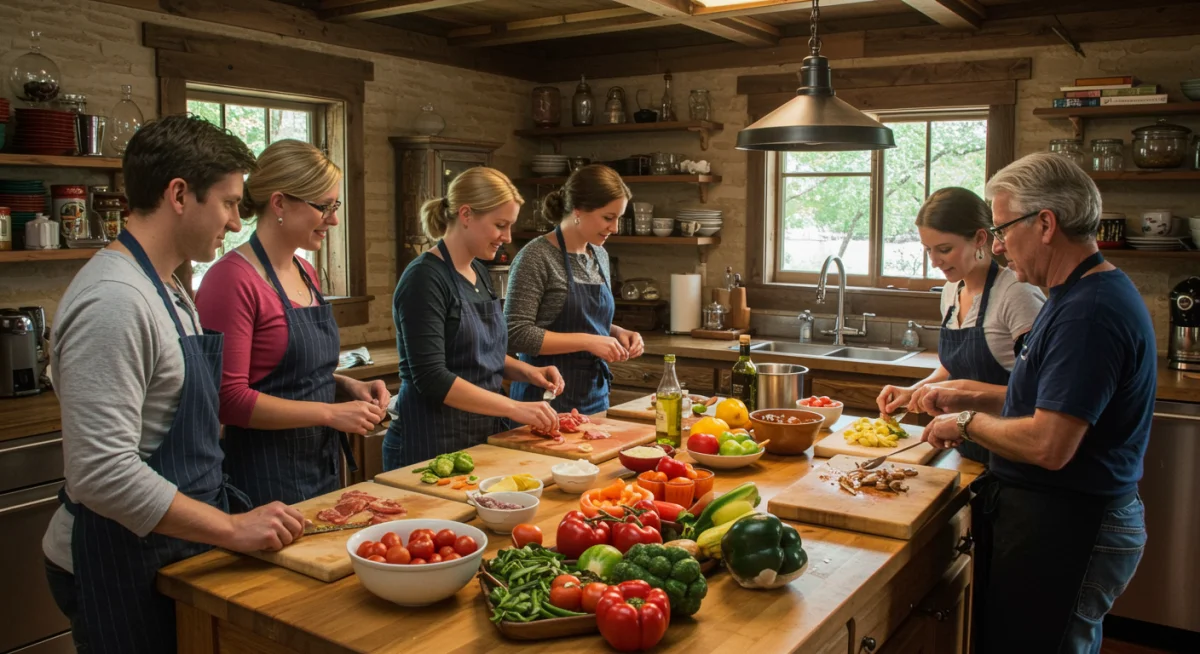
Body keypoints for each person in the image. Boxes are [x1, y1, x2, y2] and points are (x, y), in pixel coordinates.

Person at [42, 115, 306, 653]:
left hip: (171, 548)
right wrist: (231, 529)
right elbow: (101, 472)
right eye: (228, 202)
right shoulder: (114, 301)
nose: (235, 221)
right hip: (119, 559)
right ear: (179, 194)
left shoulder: (168, 287)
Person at [915, 152, 1152, 653]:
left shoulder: (1088, 313)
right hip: (1053, 517)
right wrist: (962, 392)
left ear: (1045, 224)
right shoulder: (1074, 294)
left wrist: (964, 421)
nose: (998, 246)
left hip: (1073, 524)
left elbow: (1049, 444)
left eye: (1003, 229)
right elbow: (1037, 398)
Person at [196, 139, 388, 506]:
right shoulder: (231, 280)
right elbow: (228, 400)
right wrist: (330, 413)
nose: (333, 220)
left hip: (320, 465)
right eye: (323, 207)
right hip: (265, 479)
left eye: (335, 207)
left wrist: (345, 387)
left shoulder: (306, 272)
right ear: (279, 203)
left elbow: (292, 377)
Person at [385, 167, 563, 469]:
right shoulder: (424, 279)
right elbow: (432, 377)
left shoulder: (478, 271)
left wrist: (528, 371)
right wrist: (514, 408)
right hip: (431, 442)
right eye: (500, 225)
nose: (507, 237)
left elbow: (476, 352)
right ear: (466, 214)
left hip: (480, 435)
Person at [876, 187, 1045, 463]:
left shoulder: (1017, 294)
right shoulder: (951, 291)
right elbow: (951, 367)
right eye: (928, 250)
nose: (934, 261)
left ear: (980, 238)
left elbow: (1039, 392)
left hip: (1012, 454)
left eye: (944, 249)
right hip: (966, 449)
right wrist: (913, 392)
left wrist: (961, 388)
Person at [506, 164, 643, 414]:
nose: (615, 228)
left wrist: (617, 332)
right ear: (578, 210)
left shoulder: (599, 254)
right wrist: (589, 342)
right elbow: (515, 333)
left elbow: (584, 319)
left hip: (594, 395)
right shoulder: (536, 257)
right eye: (608, 217)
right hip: (544, 398)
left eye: (619, 218)